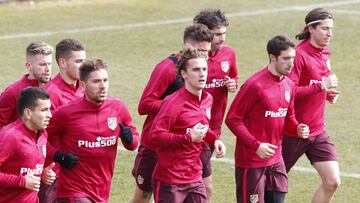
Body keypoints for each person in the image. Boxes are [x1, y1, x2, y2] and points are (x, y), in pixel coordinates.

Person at [129, 23, 213, 203]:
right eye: (200, 50)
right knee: (143, 197)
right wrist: (177, 108)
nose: (205, 57)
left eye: (207, 52)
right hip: (157, 147)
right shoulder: (167, 68)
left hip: (190, 148)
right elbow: (144, 105)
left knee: (206, 189)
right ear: (186, 47)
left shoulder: (198, 70)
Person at [225, 35, 310, 203]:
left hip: (277, 161)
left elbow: (289, 117)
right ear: (272, 58)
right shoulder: (254, 85)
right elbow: (233, 119)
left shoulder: (289, 85)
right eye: (286, 58)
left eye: (293, 58)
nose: (291, 63)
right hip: (252, 162)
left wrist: (297, 128)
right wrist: (256, 145)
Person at [46, 58, 139, 202]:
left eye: (105, 80)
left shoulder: (118, 107)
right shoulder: (67, 113)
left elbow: (133, 143)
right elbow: (38, 136)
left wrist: (130, 139)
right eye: (96, 82)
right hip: (73, 191)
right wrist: (58, 156)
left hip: (101, 190)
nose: (103, 86)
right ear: (83, 85)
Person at [149, 45, 226, 203]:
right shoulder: (173, 103)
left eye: (204, 69)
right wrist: (188, 138)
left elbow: (202, 127)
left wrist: (214, 139)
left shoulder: (207, 99)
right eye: (196, 70)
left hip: (194, 177)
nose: (202, 74)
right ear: (184, 74)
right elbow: (155, 136)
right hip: (170, 181)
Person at [282, 8, 341, 203]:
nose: (330, 33)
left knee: (332, 181)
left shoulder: (325, 53)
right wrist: (320, 87)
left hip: (317, 131)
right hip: (294, 131)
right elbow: (288, 92)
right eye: (325, 29)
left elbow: (318, 87)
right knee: (271, 183)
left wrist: (328, 93)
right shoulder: (298, 55)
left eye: (331, 29)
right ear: (311, 29)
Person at [193, 8, 238, 202]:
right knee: (206, 188)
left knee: (194, 185)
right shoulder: (193, 59)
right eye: (217, 34)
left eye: (224, 34)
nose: (222, 38)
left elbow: (234, 76)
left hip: (214, 129)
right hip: (195, 129)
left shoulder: (228, 54)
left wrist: (232, 84)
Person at [39, 38, 86, 203]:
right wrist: (58, 156)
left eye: (84, 61)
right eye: (78, 61)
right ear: (62, 63)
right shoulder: (50, 94)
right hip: (54, 174)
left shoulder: (84, 88)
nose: (84, 66)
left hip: (80, 174)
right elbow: (38, 136)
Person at [0, 87, 55, 202]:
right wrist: (22, 181)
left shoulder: (42, 135)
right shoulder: (10, 137)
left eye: (49, 109)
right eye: (44, 110)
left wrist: (42, 173)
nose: (50, 115)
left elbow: (24, 168)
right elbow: (23, 178)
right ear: (28, 113)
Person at [0, 41, 53, 128]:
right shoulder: (13, 92)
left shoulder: (55, 88)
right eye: (42, 64)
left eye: (49, 64)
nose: (47, 69)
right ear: (29, 66)